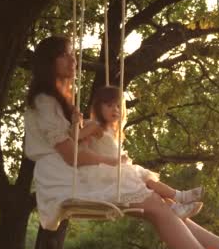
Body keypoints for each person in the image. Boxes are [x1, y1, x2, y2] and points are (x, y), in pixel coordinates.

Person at [24, 35, 219, 249]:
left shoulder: (58, 99)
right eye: (64, 54)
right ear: (49, 62)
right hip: (64, 174)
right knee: (156, 203)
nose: (73, 59)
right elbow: (69, 154)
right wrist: (110, 162)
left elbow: (74, 145)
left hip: (74, 170)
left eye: (72, 53)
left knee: (159, 204)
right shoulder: (45, 102)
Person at [73, 85, 204, 219]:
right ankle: (180, 196)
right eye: (109, 105)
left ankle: (175, 206)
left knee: (147, 182)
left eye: (118, 106)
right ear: (99, 107)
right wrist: (76, 123)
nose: (115, 109)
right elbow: (75, 137)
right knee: (144, 180)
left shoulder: (114, 131)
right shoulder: (95, 126)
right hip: (104, 173)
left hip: (116, 170)